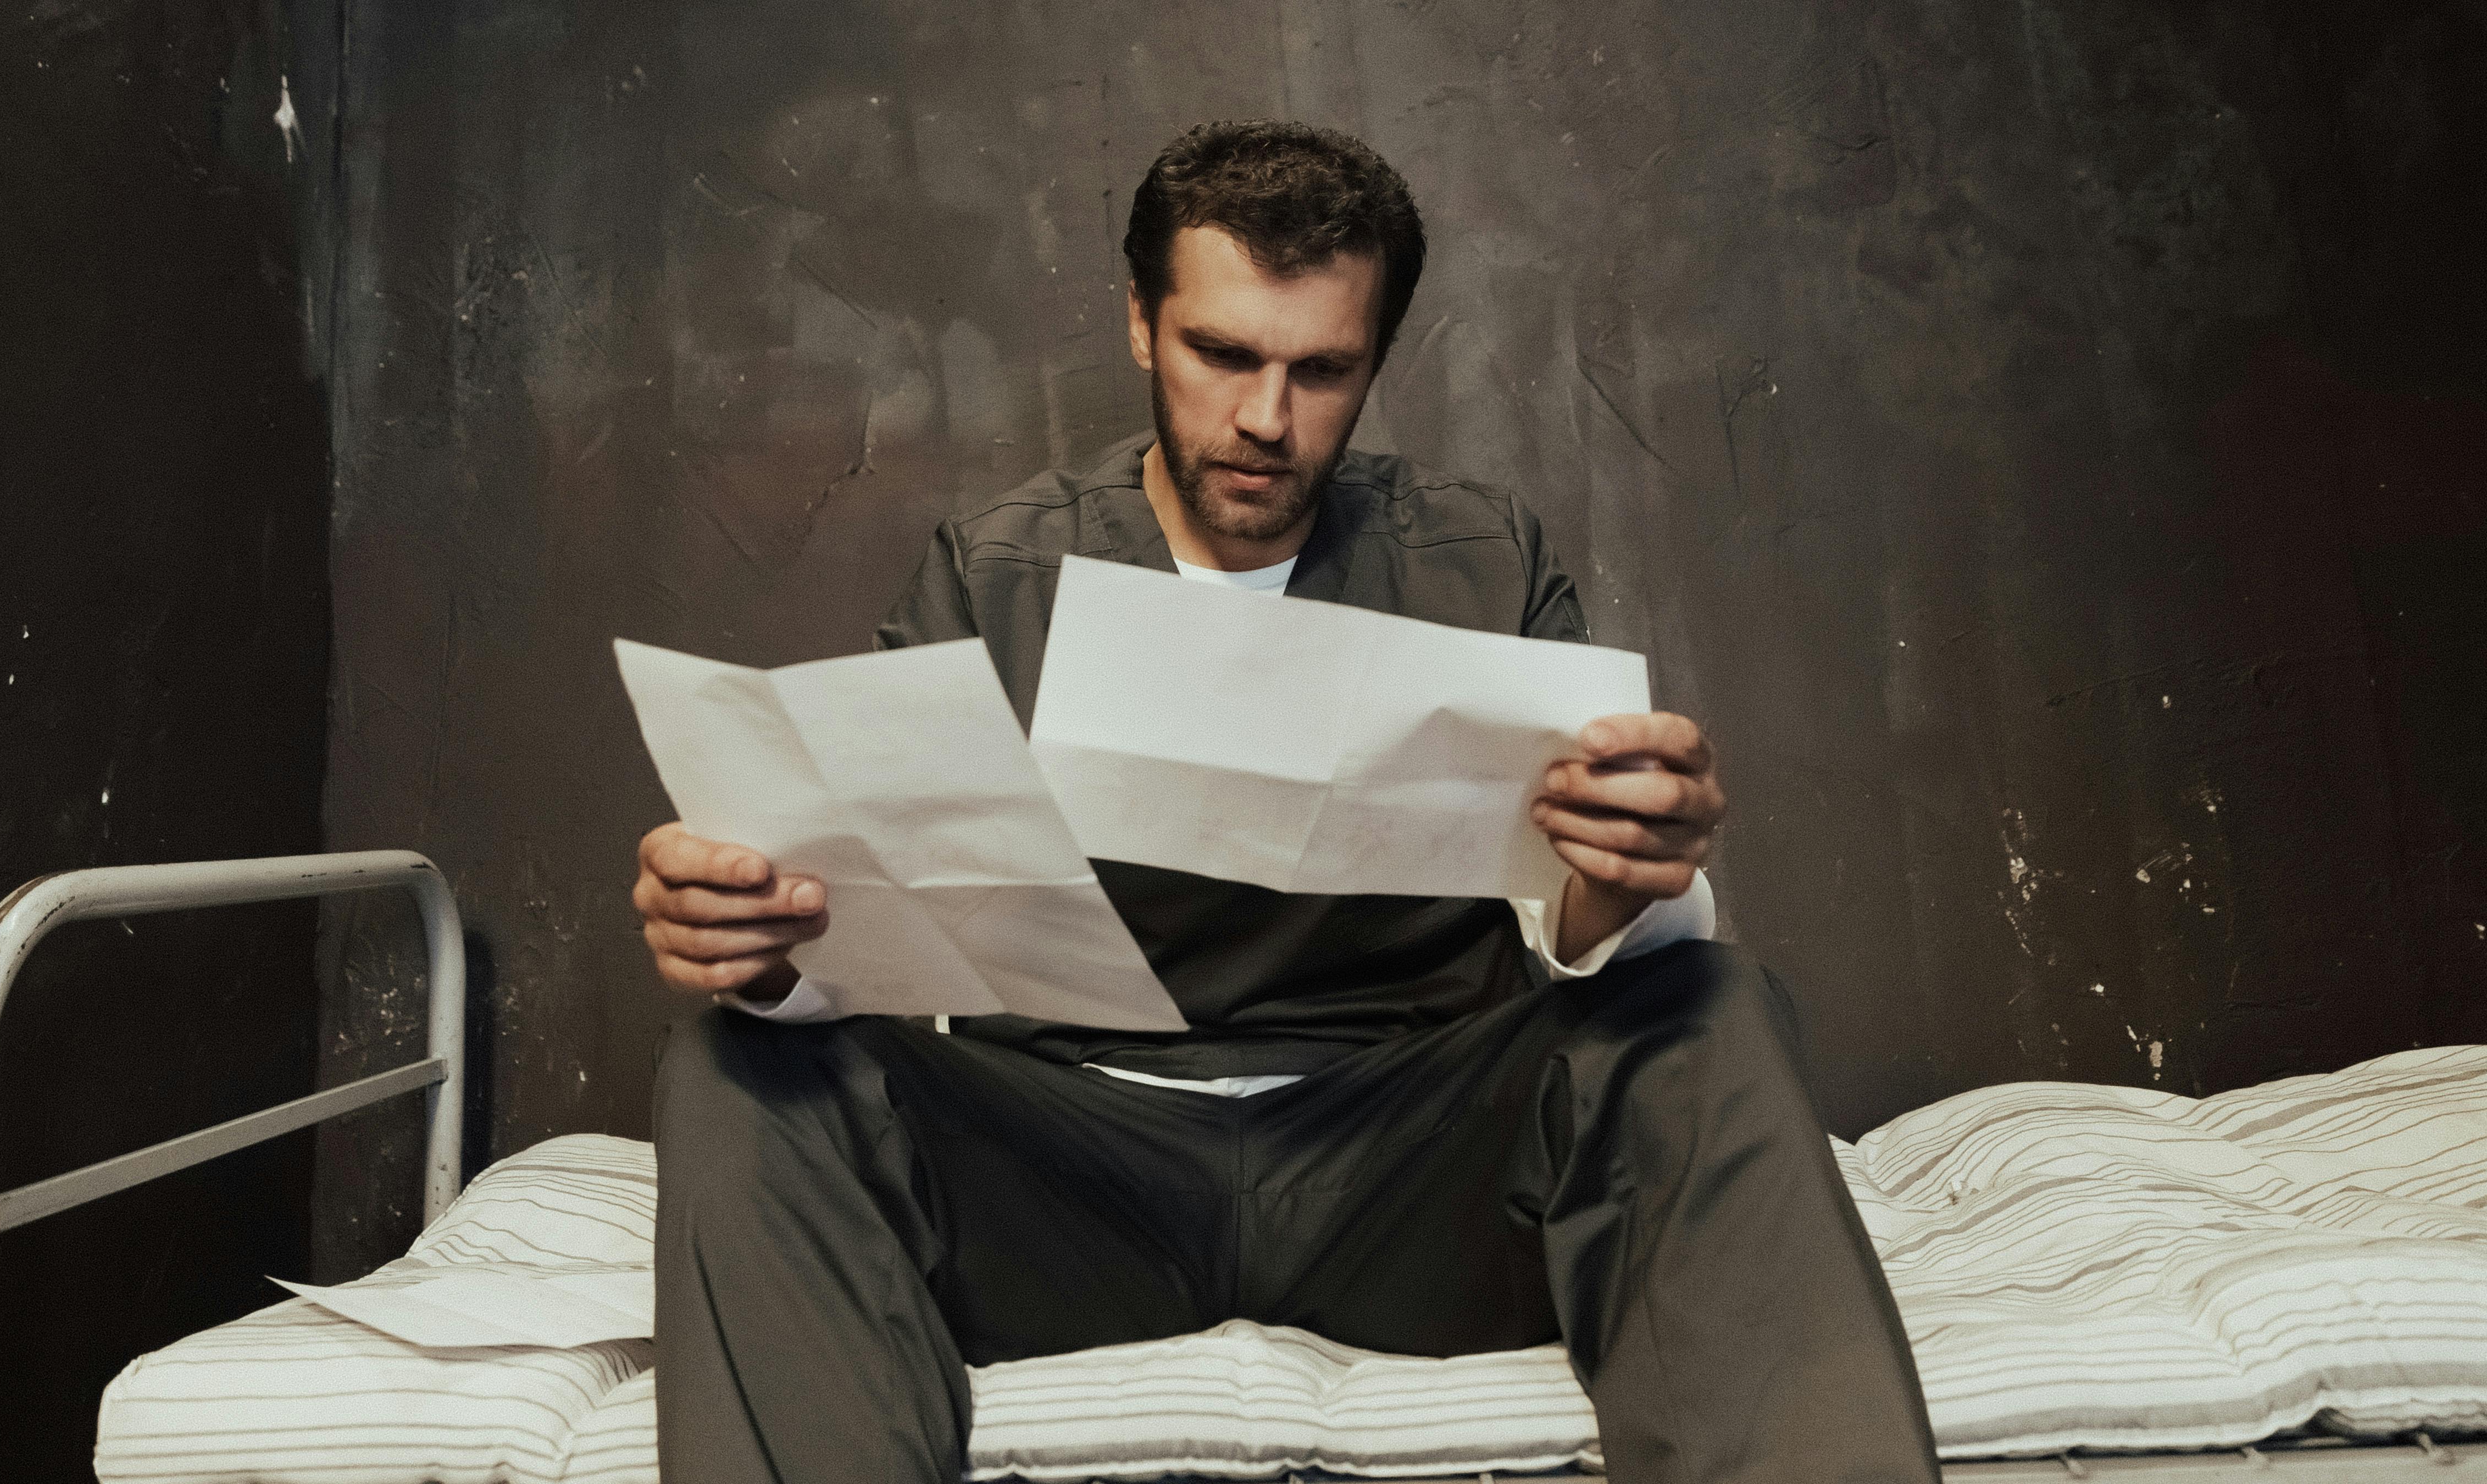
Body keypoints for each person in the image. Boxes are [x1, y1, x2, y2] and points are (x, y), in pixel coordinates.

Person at [631, 121, 1938, 1484]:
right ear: (1142, 326)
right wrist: (761, 948)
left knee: (1714, 1005)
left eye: (1324, 370)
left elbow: (1608, 947)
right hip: (1072, 1176)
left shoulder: (1485, 559)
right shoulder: (994, 573)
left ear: (1376, 359)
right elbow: (855, 945)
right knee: (734, 1061)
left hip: (1412, 1178)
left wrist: (1621, 882)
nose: (1268, 419)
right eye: (1224, 355)